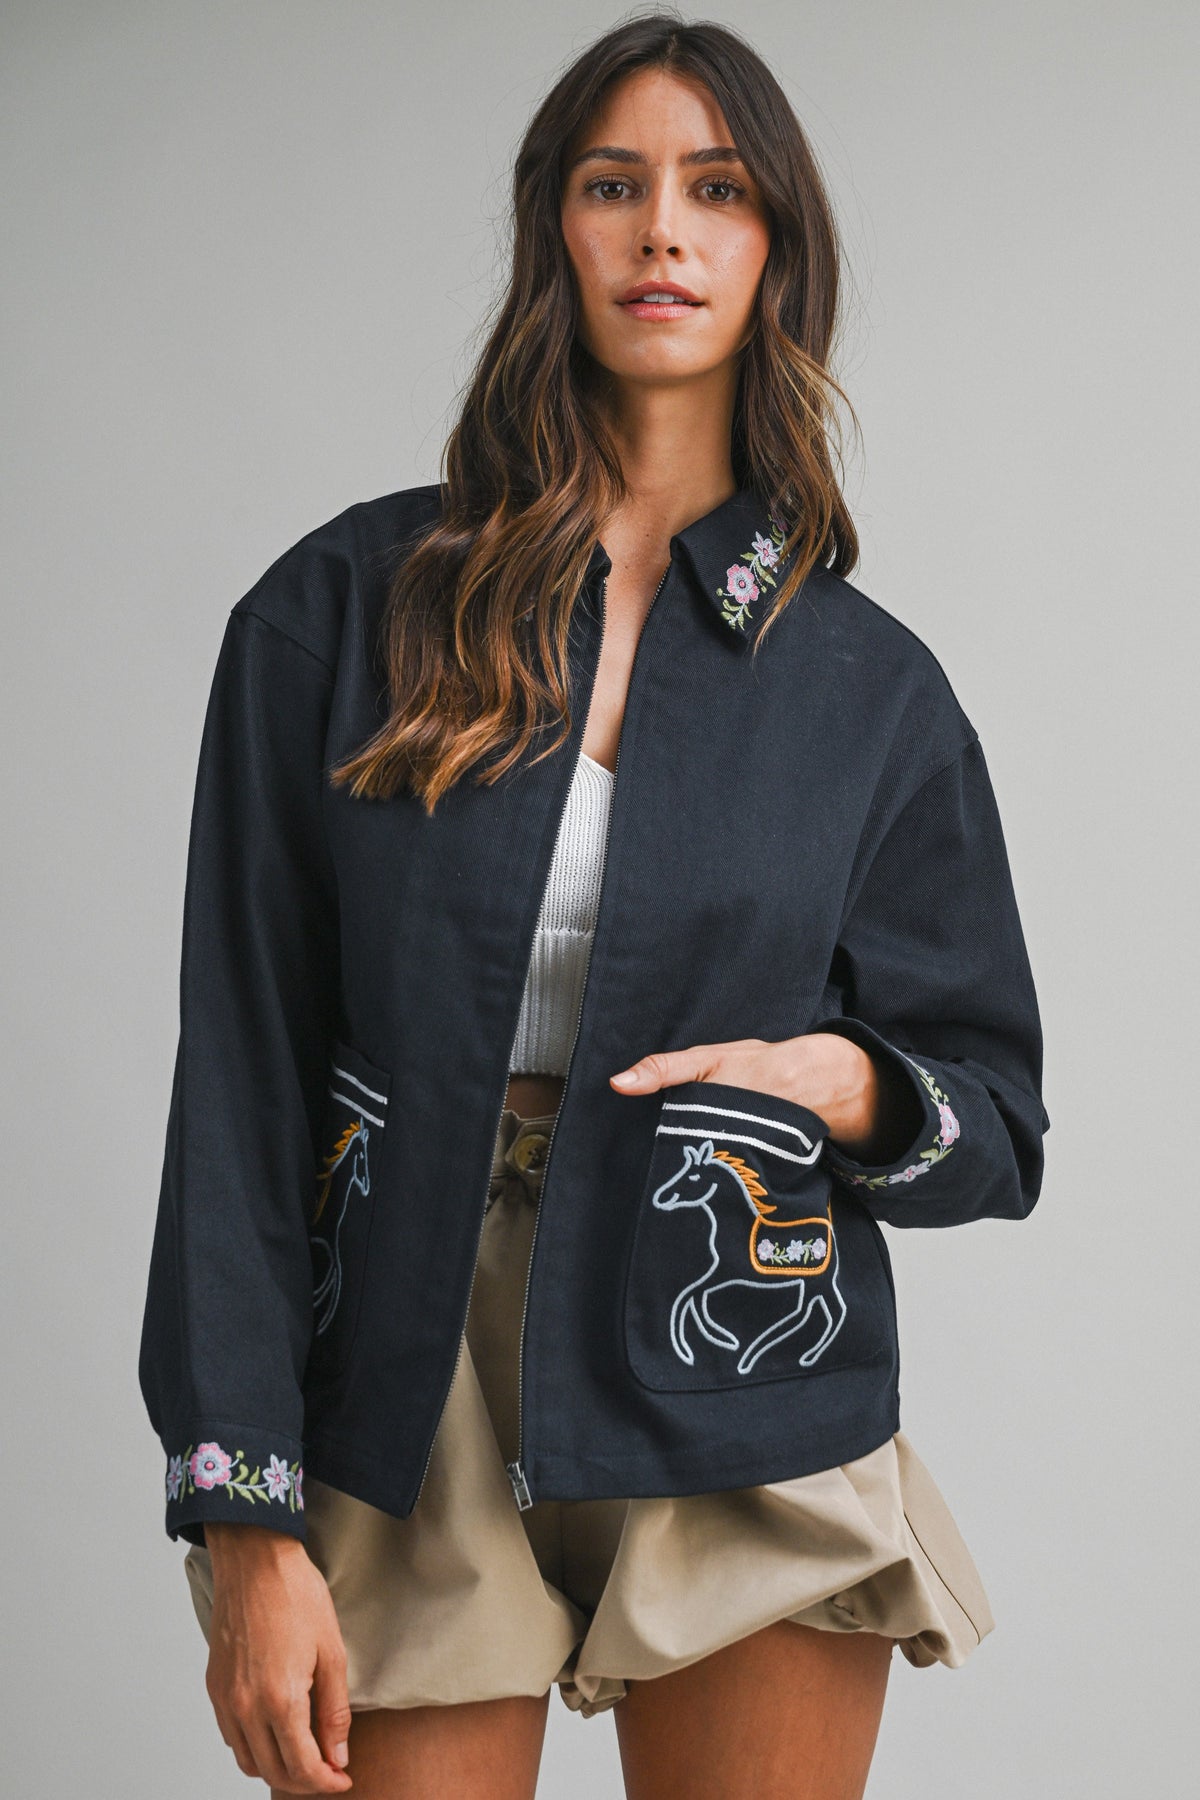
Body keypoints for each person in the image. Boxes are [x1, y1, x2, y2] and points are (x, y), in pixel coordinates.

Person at [139, 14, 1050, 1798]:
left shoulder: (870, 693)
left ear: (776, 248)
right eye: (614, 185)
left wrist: (846, 1085)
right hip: (398, 1378)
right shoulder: (342, 614)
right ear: (552, 228)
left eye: (718, 191)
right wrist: (242, 1513)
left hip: (738, 1347)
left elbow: (996, 1125)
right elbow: (241, 1076)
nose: (664, 232)